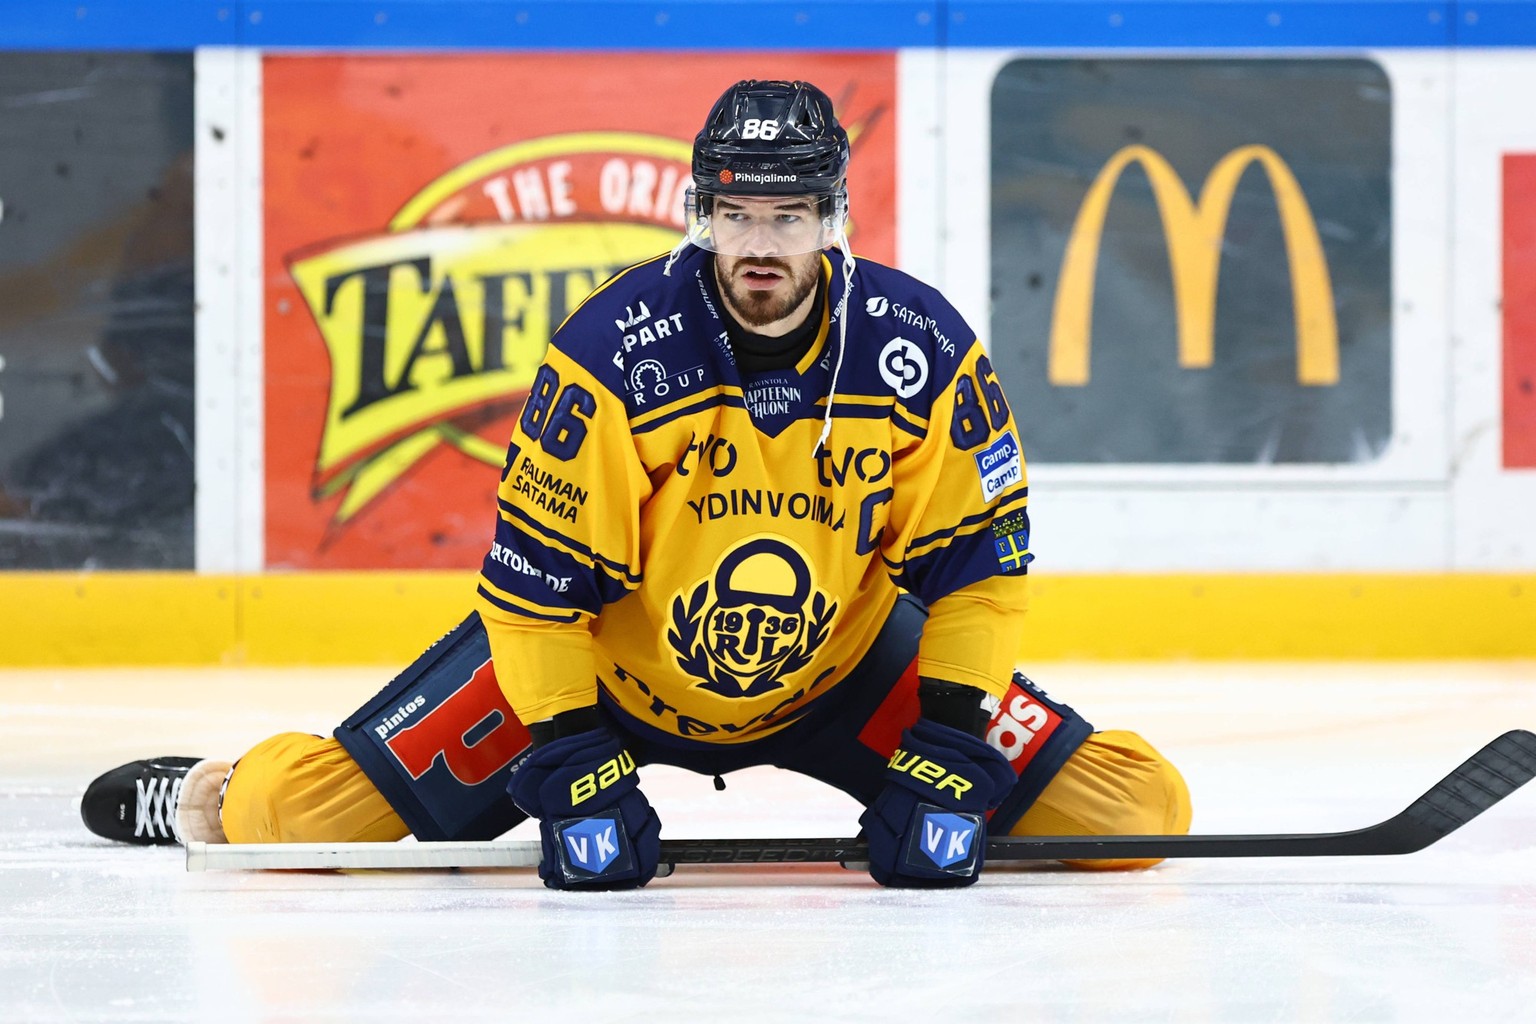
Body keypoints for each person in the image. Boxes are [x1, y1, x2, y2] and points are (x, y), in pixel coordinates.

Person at [81, 80, 1191, 889]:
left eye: (789, 216)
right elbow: (534, 597)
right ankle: (199, 790)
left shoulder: (920, 350)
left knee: (1138, 809)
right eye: (739, 214)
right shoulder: (616, 350)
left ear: (832, 219)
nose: (763, 244)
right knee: (289, 819)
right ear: (704, 214)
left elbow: (978, 576)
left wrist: (949, 752)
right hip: (609, 671)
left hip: (846, 668)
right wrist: (570, 765)